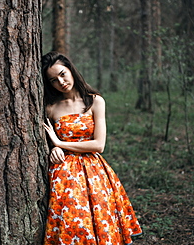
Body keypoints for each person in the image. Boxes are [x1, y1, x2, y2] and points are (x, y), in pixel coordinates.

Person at [42, 51, 142, 245]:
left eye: (62, 74)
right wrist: (53, 148)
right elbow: (45, 141)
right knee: (72, 221)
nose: (61, 82)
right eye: (53, 80)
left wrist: (60, 143)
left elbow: (99, 145)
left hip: (95, 172)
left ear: (71, 69)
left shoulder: (95, 101)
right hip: (64, 173)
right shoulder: (51, 107)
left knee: (100, 221)